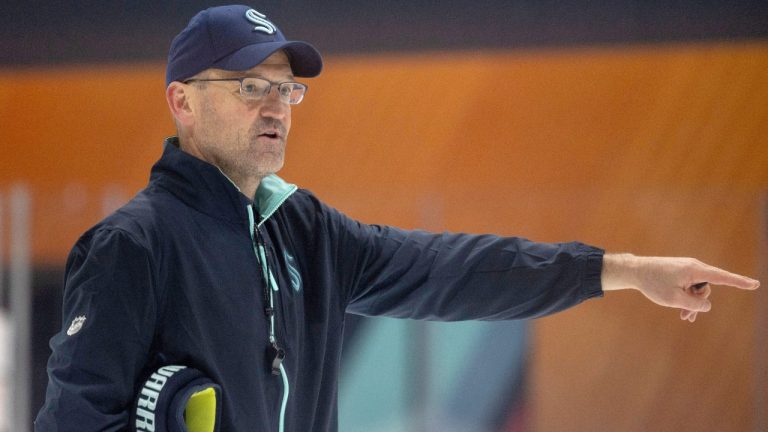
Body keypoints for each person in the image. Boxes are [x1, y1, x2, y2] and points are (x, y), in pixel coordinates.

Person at [35, 4, 760, 432]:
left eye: (286, 91)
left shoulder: (305, 233)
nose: (275, 106)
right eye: (250, 85)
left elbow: (454, 271)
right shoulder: (134, 246)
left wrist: (625, 272)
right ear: (181, 102)